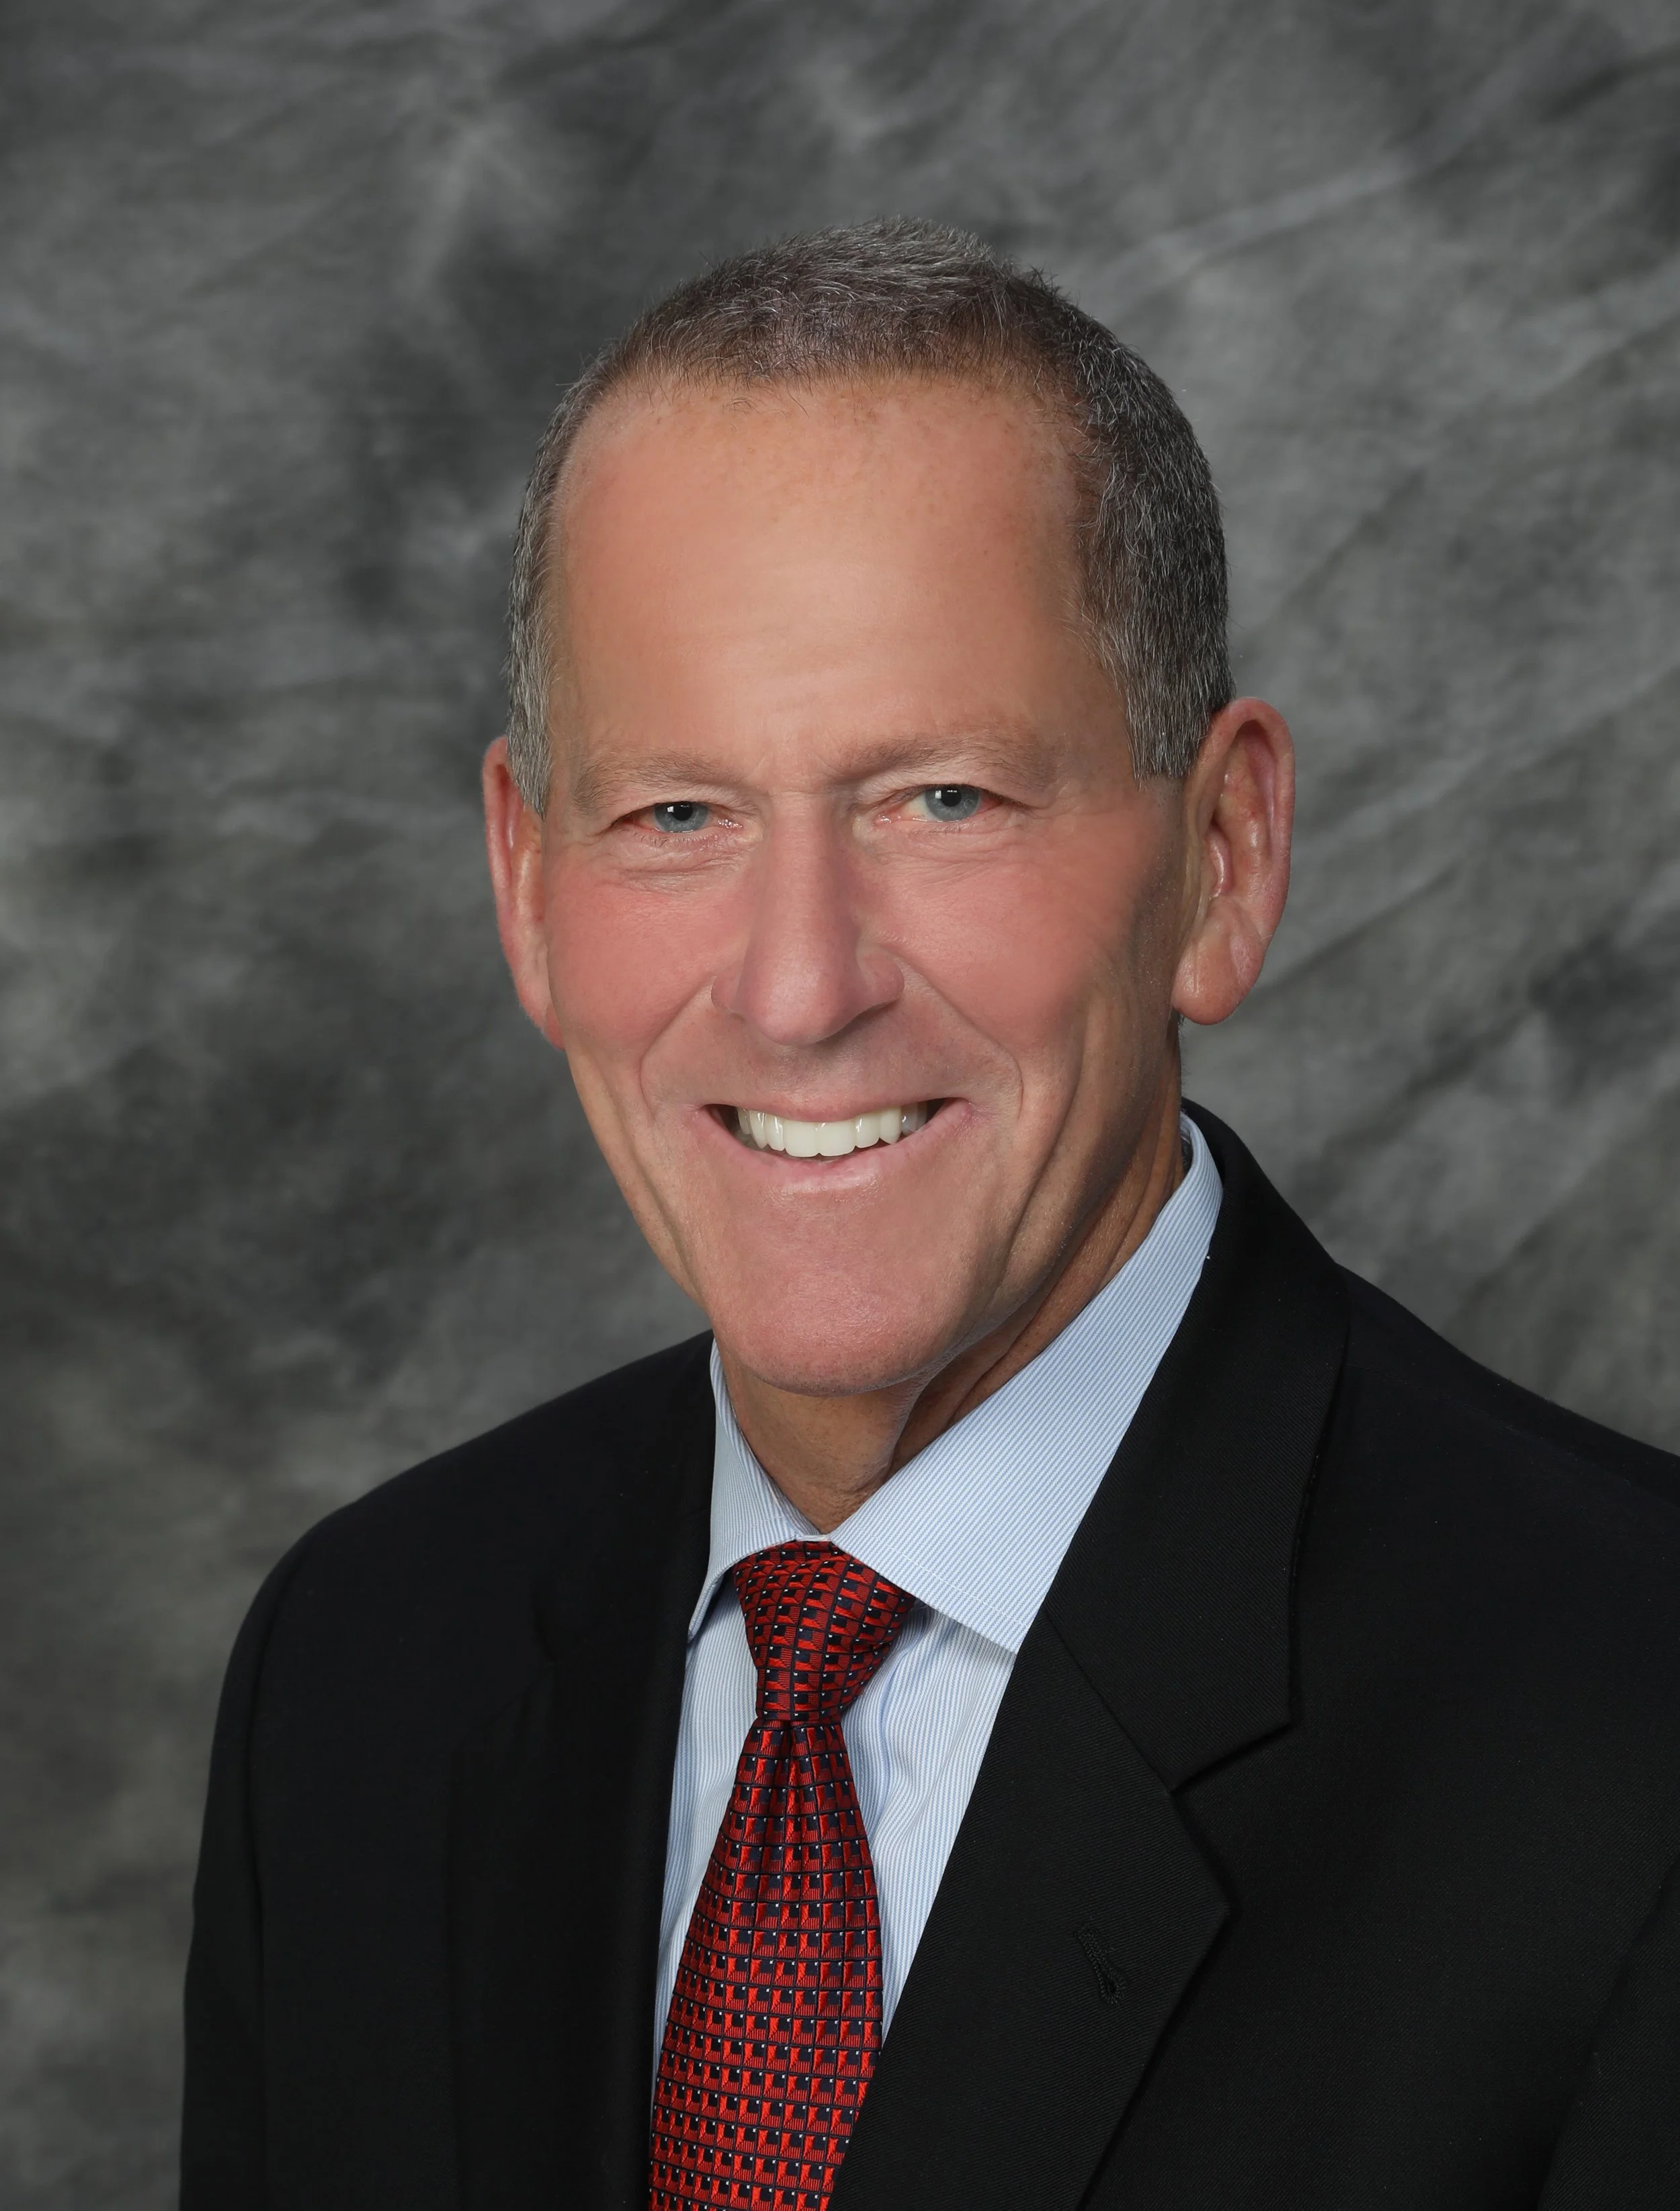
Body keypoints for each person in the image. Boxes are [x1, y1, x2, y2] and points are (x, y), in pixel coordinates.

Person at [180, 220, 1680, 2211]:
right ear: (528, 890)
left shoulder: (1628, 1735)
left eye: (942, 800)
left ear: (1221, 860)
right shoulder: (367, 1669)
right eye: (676, 817)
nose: (801, 987)